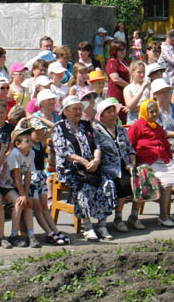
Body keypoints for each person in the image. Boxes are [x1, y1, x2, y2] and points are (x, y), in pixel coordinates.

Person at [53, 96, 117, 241]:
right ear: (66, 112)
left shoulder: (86, 125)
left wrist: (96, 159)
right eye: (74, 109)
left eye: (79, 109)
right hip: (71, 168)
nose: (78, 112)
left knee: (108, 183)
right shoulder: (60, 127)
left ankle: (102, 224)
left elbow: (97, 146)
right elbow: (64, 152)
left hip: (91, 166)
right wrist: (83, 161)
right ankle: (87, 226)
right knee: (84, 188)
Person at [128, 100, 174, 227]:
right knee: (166, 184)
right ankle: (163, 216)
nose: (155, 114)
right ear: (145, 112)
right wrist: (134, 161)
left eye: (156, 111)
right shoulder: (137, 126)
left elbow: (166, 145)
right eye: (151, 112)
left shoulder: (157, 127)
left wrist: (169, 158)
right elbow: (130, 146)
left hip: (164, 161)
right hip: (148, 161)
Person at [93, 98, 142, 232]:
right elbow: (96, 151)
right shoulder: (96, 131)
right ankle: (118, 218)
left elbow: (130, 149)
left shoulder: (120, 130)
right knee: (123, 183)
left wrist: (132, 163)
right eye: (109, 112)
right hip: (109, 168)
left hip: (126, 165)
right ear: (101, 116)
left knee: (141, 181)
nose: (113, 114)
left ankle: (134, 216)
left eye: (114, 111)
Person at [23, 118, 68, 245]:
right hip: (31, 177)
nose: (40, 134)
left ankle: (55, 231)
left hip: (41, 176)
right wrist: (24, 121)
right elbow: (16, 134)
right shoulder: (29, 144)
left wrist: (38, 118)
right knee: (37, 207)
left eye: (41, 131)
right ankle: (49, 232)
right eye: (36, 132)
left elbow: (53, 126)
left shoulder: (41, 142)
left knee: (44, 206)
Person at [106, 40, 130, 105]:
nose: (123, 51)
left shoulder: (125, 61)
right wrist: (130, 86)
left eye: (124, 48)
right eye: (120, 49)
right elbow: (115, 79)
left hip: (126, 93)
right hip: (116, 94)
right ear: (114, 50)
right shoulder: (112, 62)